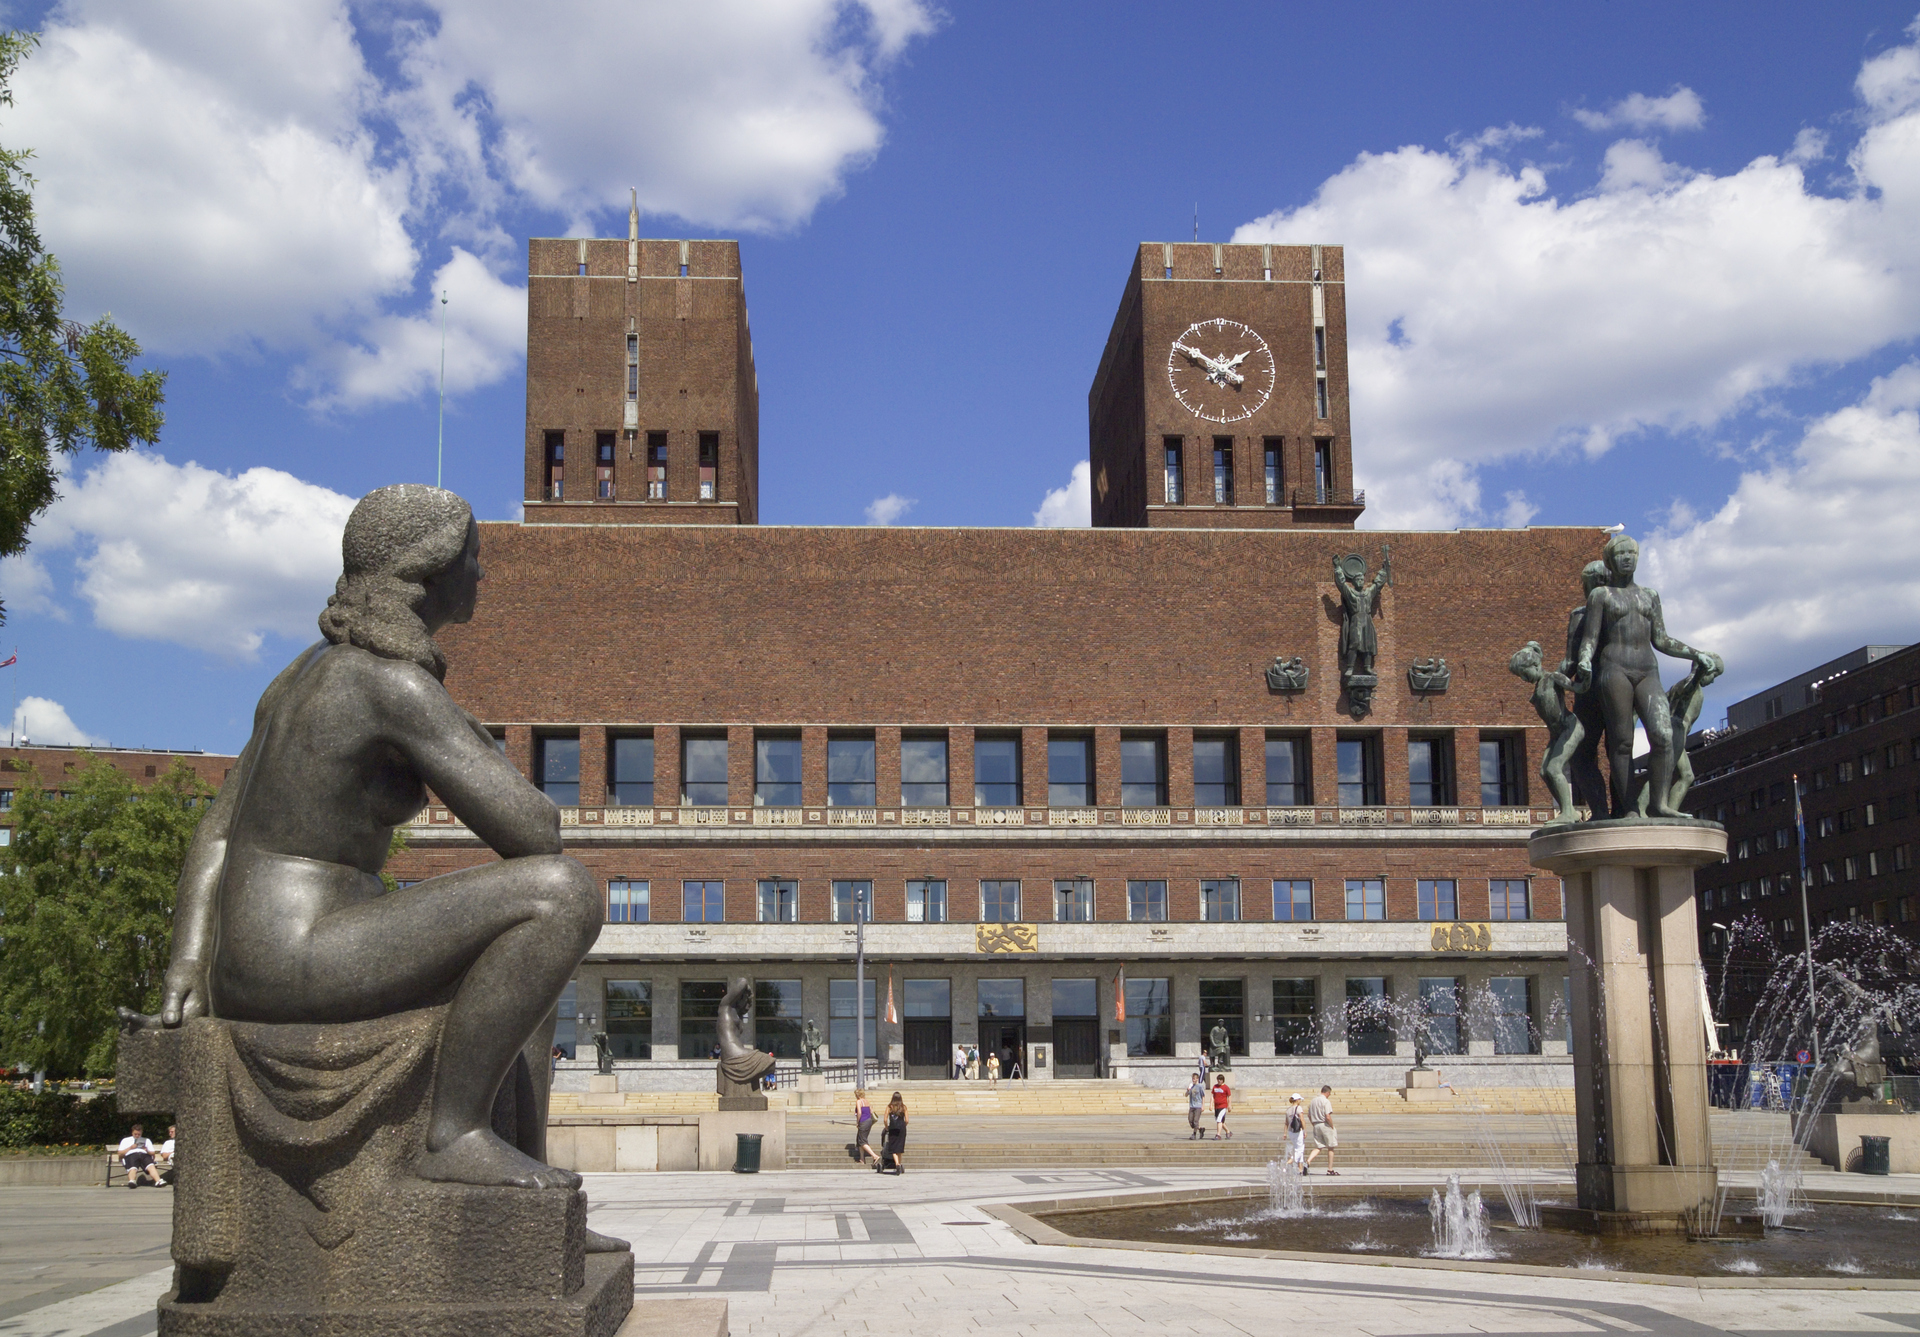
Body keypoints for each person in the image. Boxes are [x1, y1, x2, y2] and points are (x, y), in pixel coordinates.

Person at [153, 486, 601, 1193]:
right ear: (429, 567)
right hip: (301, 953)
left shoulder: (295, 677)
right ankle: (453, 1134)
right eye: (474, 558)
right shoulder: (390, 685)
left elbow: (216, 830)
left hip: (252, 953)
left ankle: (532, 1197)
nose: (481, 576)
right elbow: (535, 832)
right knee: (561, 896)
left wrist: (188, 958)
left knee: (526, 979)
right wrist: (468, 741)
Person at [1571, 533, 1713, 819]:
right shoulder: (1601, 595)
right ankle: (1631, 809)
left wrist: (1696, 653)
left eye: (1631, 554)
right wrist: (1585, 660)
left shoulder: (1650, 596)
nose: (1627, 558)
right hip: (1614, 671)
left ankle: (1659, 803)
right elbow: (1590, 638)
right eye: (1621, 554)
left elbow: (1661, 639)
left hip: (1648, 670)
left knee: (1663, 735)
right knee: (1622, 741)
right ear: (1611, 560)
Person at [1304, 1084, 1339, 1175]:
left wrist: (1313, 1124)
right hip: (1325, 1125)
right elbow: (1327, 1116)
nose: (1329, 1095)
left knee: (1319, 1146)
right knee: (1331, 1147)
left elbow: (1309, 1115)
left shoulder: (1313, 1101)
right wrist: (1332, 1126)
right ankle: (1330, 1169)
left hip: (1316, 1125)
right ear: (1327, 1092)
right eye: (1329, 1093)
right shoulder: (1325, 1101)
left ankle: (1308, 1161)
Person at [880, 1092, 908, 1174]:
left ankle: (897, 1164)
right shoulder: (903, 1107)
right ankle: (899, 1163)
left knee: (893, 1148)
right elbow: (907, 1120)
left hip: (892, 1128)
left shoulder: (889, 1107)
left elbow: (885, 1119)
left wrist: (886, 1127)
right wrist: (903, 1125)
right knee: (900, 1147)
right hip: (902, 1129)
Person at [853, 1089, 880, 1168]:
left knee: (862, 1141)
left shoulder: (858, 1101)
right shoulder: (866, 1101)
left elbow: (859, 1113)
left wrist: (858, 1122)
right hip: (869, 1121)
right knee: (861, 1139)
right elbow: (871, 1111)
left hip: (863, 1121)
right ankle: (862, 1159)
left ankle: (875, 1156)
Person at [1285, 1094, 1307, 1172]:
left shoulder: (1288, 1110)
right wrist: (1304, 1131)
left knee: (1298, 1148)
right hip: (1298, 1131)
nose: (1301, 1101)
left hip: (1291, 1132)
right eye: (1300, 1099)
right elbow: (1302, 1120)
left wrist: (1285, 1133)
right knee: (1300, 1149)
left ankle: (1300, 1169)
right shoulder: (1298, 1108)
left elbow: (1286, 1123)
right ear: (1297, 1100)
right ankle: (1288, 1163)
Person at [1186, 1073, 1206, 1140]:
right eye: (1192, 1078)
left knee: (1195, 1120)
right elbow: (1186, 1095)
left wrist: (1203, 1105)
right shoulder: (1191, 1086)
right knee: (1190, 1120)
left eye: (1194, 1078)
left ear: (1197, 1079)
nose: (1193, 1080)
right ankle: (1200, 1129)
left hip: (1198, 1106)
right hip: (1192, 1106)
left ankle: (1194, 1134)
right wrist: (1188, 1090)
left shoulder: (1200, 1086)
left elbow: (1203, 1096)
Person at [1211, 1075, 1231, 1140]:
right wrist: (1211, 1104)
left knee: (1219, 1120)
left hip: (1223, 1106)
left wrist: (1229, 1105)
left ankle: (1218, 1135)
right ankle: (1228, 1131)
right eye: (1218, 1079)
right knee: (1220, 1121)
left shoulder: (1226, 1087)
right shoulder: (1215, 1087)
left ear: (1223, 1080)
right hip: (1216, 1106)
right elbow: (1213, 1096)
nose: (1219, 1080)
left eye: (1220, 1079)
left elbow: (1229, 1096)